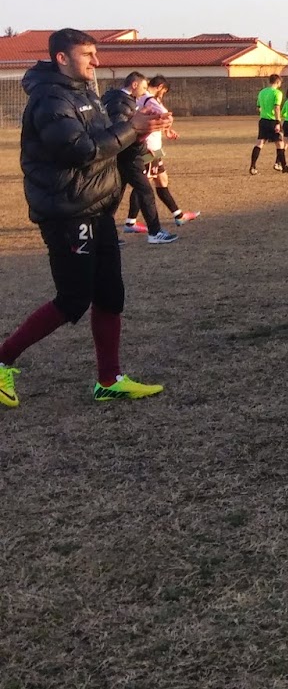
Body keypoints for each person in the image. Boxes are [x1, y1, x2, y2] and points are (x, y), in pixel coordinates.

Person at [0, 28, 169, 407]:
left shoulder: (85, 93)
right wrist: (131, 128)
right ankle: (2, 360)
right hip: (67, 210)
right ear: (62, 58)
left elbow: (109, 146)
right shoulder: (49, 99)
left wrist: (142, 130)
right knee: (73, 298)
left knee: (110, 294)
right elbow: (79, 151)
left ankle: (109, 380)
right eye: (87, 54)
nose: (96, 61)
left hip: (96, 206)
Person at [102, 72, 172, 245]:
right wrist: (143, 134)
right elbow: (122, 130)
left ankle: (105, 235)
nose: (144, 91)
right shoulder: (122, 103)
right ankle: (154, 232)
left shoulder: (116, 98)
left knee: (116, 195)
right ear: (134, 85)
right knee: (145, 191)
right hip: (129, 155)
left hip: (127, 154)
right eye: (143, 87)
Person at [133, 77, 198, 231]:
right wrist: (167, 128)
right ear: (160, 86)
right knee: (143, 185)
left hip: (154, 148)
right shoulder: (149, 99)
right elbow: (166, 115)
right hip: (149, 148)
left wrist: (166, 130)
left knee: (162, 180)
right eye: (164, 91)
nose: (163, 95)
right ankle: (130, 222)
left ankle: (178, 216)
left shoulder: (142, 98)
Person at [250, 73, 287, 174]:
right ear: (278, 82)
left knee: (260, 143)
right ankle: (284, 167)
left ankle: (252, 166)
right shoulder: (277, 93)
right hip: (273, 121)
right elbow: (277, 107)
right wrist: (278, 122)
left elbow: (258, 107)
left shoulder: (262, 92)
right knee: (280, 144)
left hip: (263, 121)